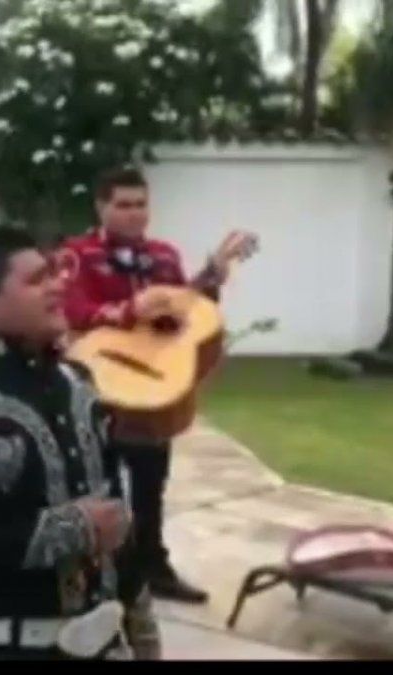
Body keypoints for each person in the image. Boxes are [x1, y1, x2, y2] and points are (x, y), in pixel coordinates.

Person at [0, 224, 161, 660]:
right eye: (37, 279)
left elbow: (113, 512)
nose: (59, 286)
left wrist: (141, 627)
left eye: (55, 274)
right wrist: (69, 529)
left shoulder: (79, 384)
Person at [58, 166, 256, 604]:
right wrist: (129, 309)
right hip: (100, 384)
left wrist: (209, 281)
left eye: (141, 205)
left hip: (151, 388)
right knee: (99, 482)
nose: (134, 214)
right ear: (101, 207)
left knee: (150, 485)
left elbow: (181, 314)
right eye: (123, 205)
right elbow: (75, 311)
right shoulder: (77, 254)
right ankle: (100, 573)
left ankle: (152, 566)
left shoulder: (165, 256)